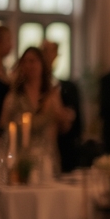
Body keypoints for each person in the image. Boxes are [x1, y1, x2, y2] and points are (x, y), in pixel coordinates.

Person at [1, 46, 74, 157]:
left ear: (42, 64)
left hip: (46, 154)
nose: (28, 66)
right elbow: (4, 123)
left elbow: (63, 128)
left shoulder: (52, 95)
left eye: (32, 61)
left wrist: (64, 118)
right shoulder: (15, 96)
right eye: (24, 62)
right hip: (22, 155)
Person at [41, 41, 86, 172]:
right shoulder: (37, 88)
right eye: (45, 52)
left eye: (52, 53)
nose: (49, 58)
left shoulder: (67, 87)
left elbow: (74, 123)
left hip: (63, 145)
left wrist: (67, 116)